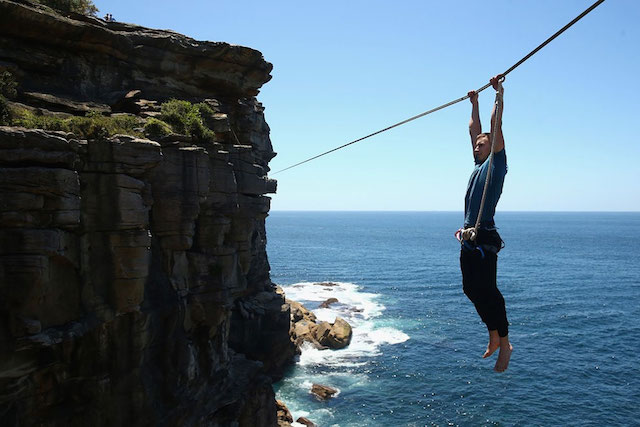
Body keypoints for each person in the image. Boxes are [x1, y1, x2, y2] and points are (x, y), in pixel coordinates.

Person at [459, 75, 512, 372]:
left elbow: (494, 128)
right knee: (471, 289)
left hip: (485, 237)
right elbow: (474, 129)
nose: (476, 146)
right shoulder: (479, 166)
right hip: (469, 238)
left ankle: (505, 343)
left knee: (489, 291)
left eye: (481, 144)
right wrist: (474, 103)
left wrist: (498, 95)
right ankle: (493, 334)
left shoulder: (497, 163)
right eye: (476, 145)